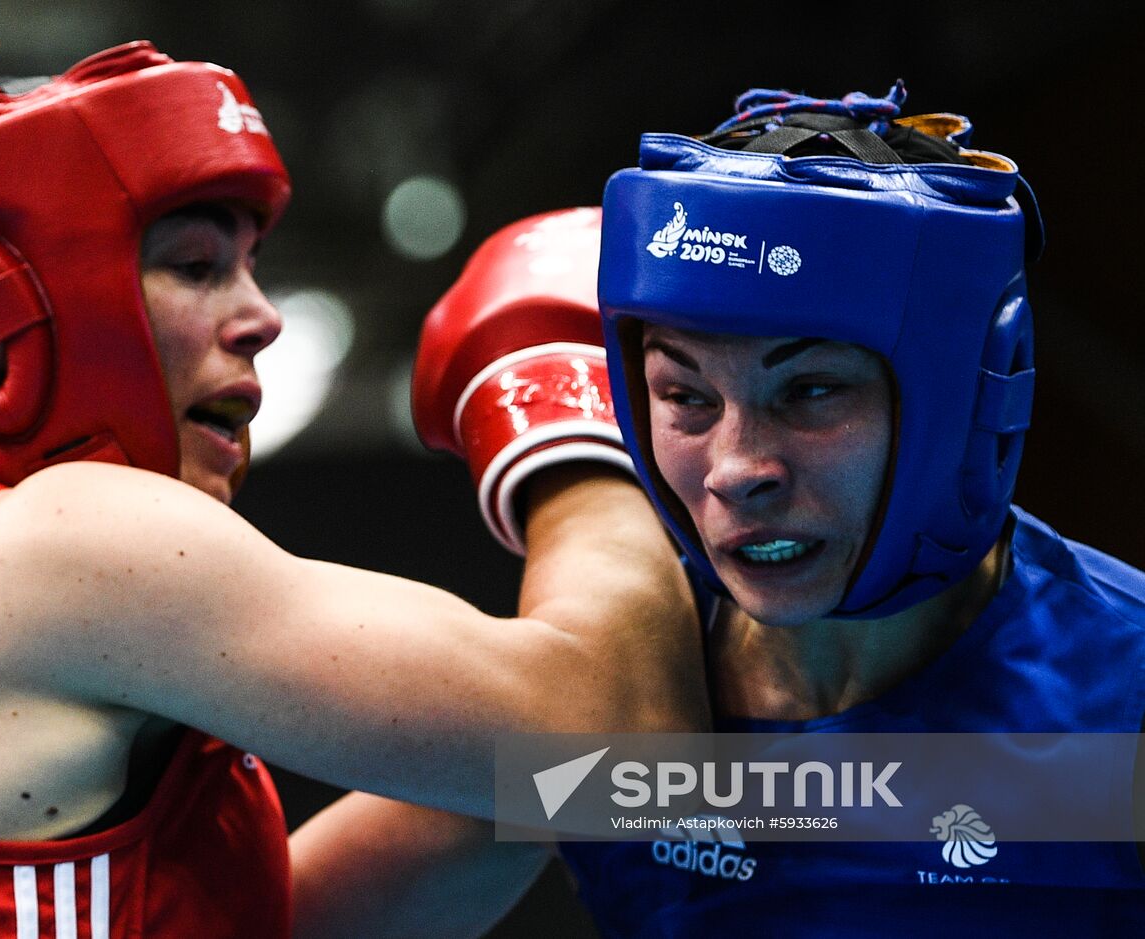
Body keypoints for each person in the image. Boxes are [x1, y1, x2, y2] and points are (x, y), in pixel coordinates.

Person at [0, 28, 710, 937]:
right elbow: (626, 740)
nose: (262, 318)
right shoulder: (59, 547)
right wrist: (568, 417)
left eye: (252, 267)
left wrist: (838, 796)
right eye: (197, 267)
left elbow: (285, 911)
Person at [416, 84, 1143, 935]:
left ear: (961, 402)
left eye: (811, 390)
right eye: (685, 396)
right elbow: (274, 909)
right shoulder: (623, 693)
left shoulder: (1121, 695)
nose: (735, 470)